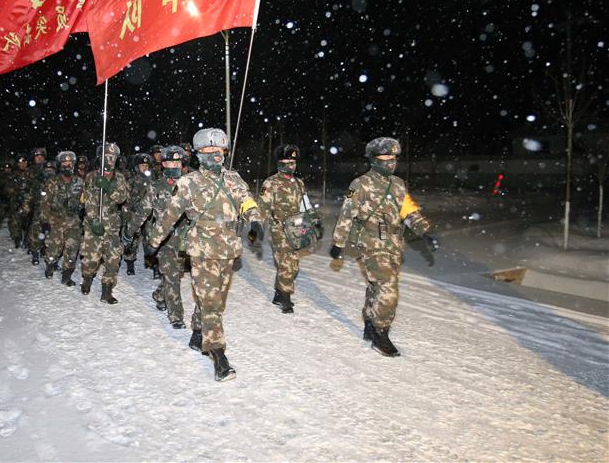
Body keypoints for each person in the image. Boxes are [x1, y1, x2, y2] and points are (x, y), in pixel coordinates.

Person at [145, 128, 263, 382]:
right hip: (202, 250)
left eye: (219, 150)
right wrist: (154, 242)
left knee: (216, 300)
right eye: (209, 151)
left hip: (229, 249)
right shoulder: (188, 183)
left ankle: (198, 333)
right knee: (211, 303)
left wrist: (255, 221)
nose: (215, 155)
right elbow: (169, 216)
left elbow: (247, 200)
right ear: (199, 155)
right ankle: (219, 356)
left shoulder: (234, 179)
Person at [329, 136, 439, 357]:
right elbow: (347, 214)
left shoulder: (398, 184)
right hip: (370, 243)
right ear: (374, 159)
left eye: (394, 157)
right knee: (388, 288)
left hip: (393, 244)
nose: (391, 162)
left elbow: (408, 210)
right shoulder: (360, 184)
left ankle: (370, 324)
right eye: (386, 157)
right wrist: (338, 243)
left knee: (376, 287)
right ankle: (381, 332)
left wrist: (424, 231)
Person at [257, 144, 323, 314]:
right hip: (278, 228)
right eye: (287, 161)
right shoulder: (271, 183)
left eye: (293, 162)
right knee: (287, 262)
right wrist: (257, 225)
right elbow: (262, 207)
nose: (291, 165)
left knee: (292, 264)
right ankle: (285, 296)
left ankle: (279, 293)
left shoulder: (298, 183)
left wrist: (315, 222)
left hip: (296, 226)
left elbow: (305, 204)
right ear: (279, 163)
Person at [80, 143, 130, 302]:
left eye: (113, 157)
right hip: (93, 224)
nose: (110, 159)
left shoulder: (120, 177)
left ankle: (106, 291)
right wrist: (94, 220)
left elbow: (122, 198)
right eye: (107, 156)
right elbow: (88, 201)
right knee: (91, 259)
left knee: (113, 259)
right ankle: (87, 279)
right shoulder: (91, 176)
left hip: (112, 225)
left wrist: (108, 187)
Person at [146, 145, 189, 328]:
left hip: (184, 239)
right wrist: (128, 233)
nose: (174, 165)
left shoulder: (189, 185)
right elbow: (142, 212)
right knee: (172, 275)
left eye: (178, 162)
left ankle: (159, 294)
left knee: (176, 274)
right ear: (163, 164)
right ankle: (176, 316)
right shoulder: (154, 187)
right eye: (171, 161)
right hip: (163, 239)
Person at [42, 151, 85, 283]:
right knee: (54, 250)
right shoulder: (52, 182)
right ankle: (50, 266)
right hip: (56, 221)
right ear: (60, 166)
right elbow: (45, 203)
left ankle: (67, 276)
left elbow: (85, 201)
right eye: (65, 164)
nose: (68, 166)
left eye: (70, 164)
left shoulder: (80, 182)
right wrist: (45, 221)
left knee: (72, 250)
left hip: (73, 222)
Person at [122, 153, 154, 275]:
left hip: (150, 215)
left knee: (150, 238)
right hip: (135, 214)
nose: (144, 168)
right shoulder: (131, 181)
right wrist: (128, 215)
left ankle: (152, 263)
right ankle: (130, 263)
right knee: (133, 239)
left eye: (146, 165)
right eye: (142, 165)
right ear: (136, 167)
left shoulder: (153, 181)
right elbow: (126, 200)